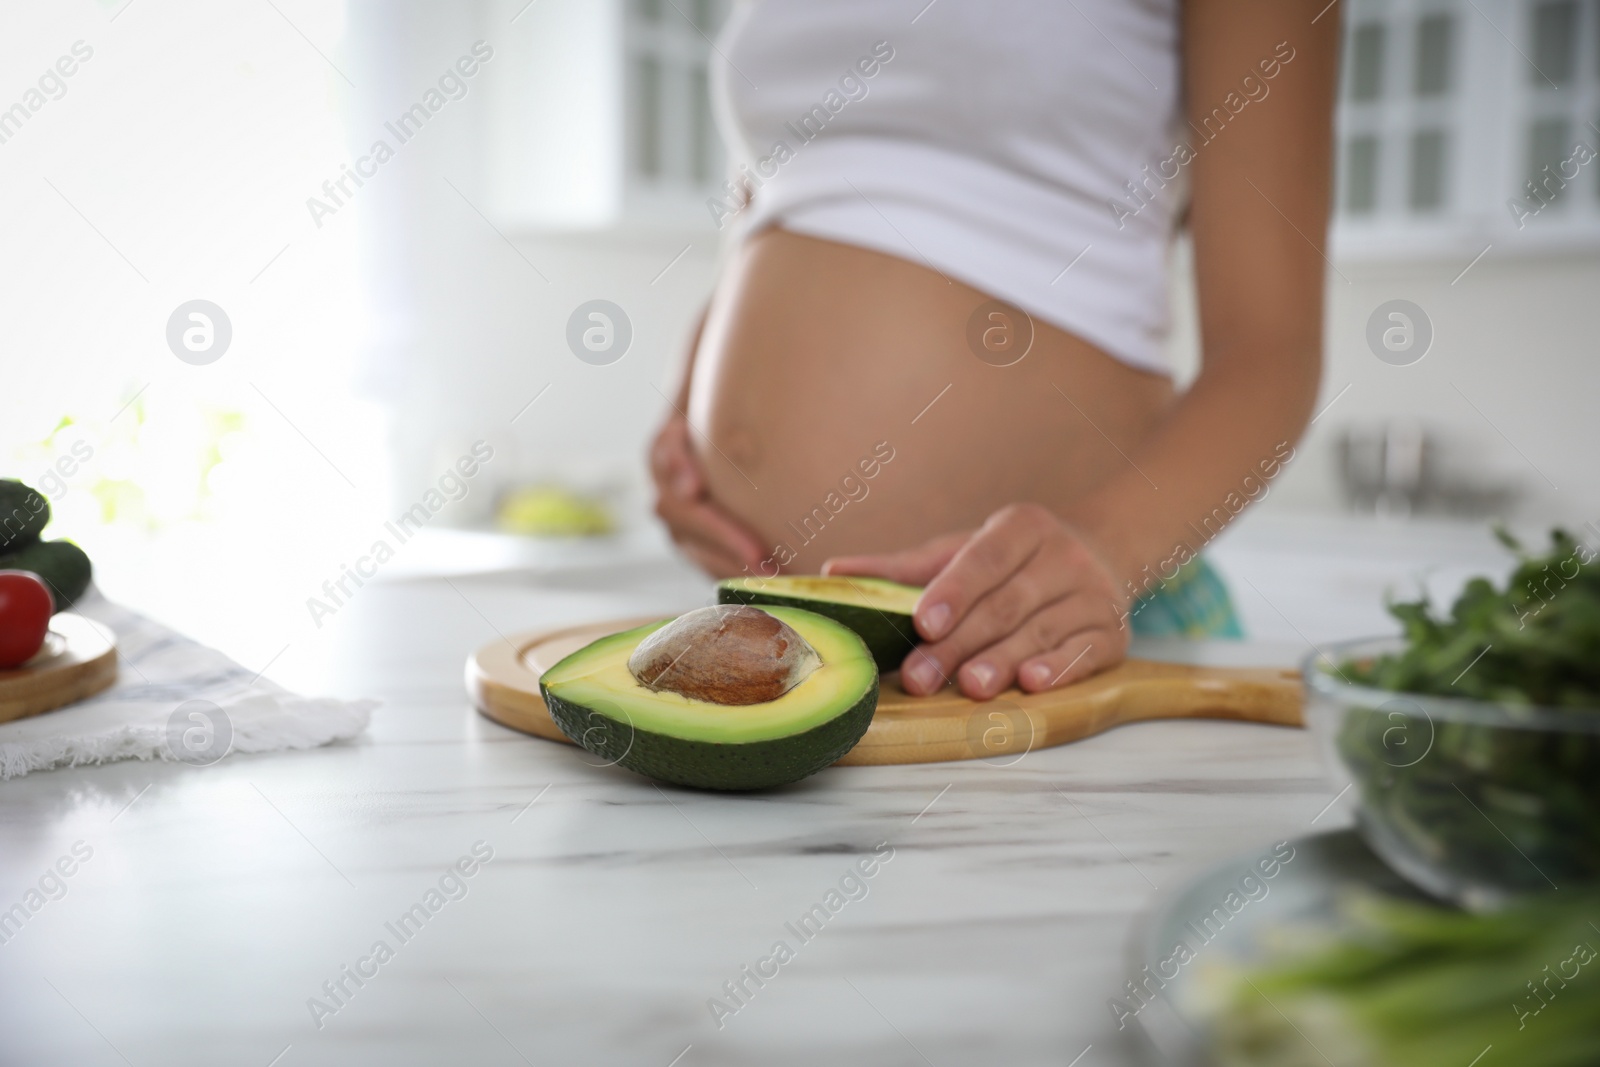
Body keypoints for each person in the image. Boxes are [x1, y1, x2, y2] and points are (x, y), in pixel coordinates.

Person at [649, 0, 1337, 702]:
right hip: (776, 637)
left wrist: (1105, 550)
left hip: (1045, 644)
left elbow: (1270, 352)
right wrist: (688, 432)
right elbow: (767, 204)